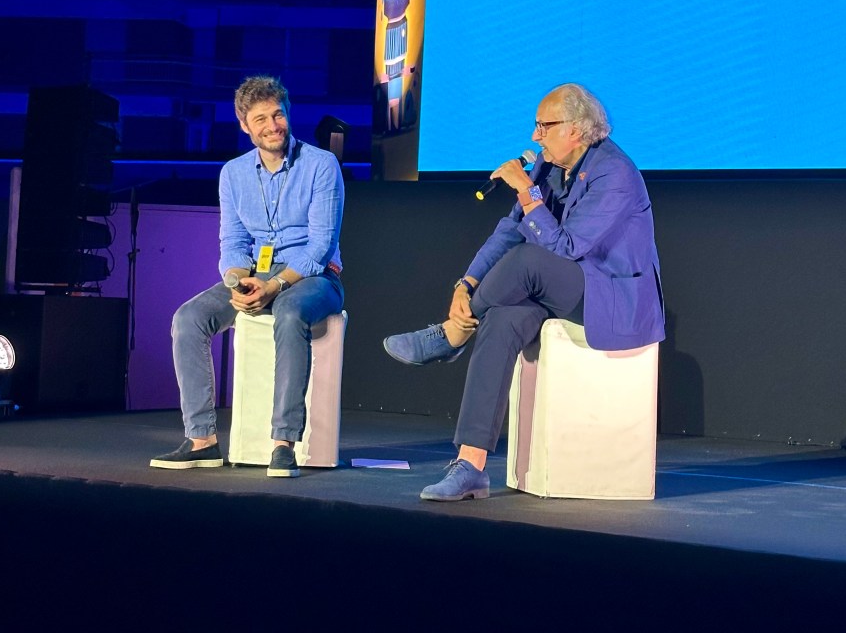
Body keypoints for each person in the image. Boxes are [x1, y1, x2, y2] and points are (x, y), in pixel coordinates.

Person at [384, 83, 664, 501]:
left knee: (528, 261)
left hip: (611, 296)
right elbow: (511, 230)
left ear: (576, 129)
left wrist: (528, 192)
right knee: (501, 319)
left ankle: (451, 336)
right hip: (560, 287)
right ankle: (471, 465)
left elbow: (566, 247)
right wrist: (466, 283)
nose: (535, 136)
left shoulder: (615, 173)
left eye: (544, 126)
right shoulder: (549, 167)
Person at [151, 75, 344, 477]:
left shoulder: (321, 165)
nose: (273, 126)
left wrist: (274, 285)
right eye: (261, 119)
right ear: (244, 125)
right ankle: (202, 440)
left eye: (278, 115)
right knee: (188, 318)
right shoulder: (233, 173)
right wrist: (238, 282)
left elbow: (321, 246)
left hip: (315, 278)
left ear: (288, 114)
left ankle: (283, 444)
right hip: (257, 275)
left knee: (290, 312)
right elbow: (233, 243)